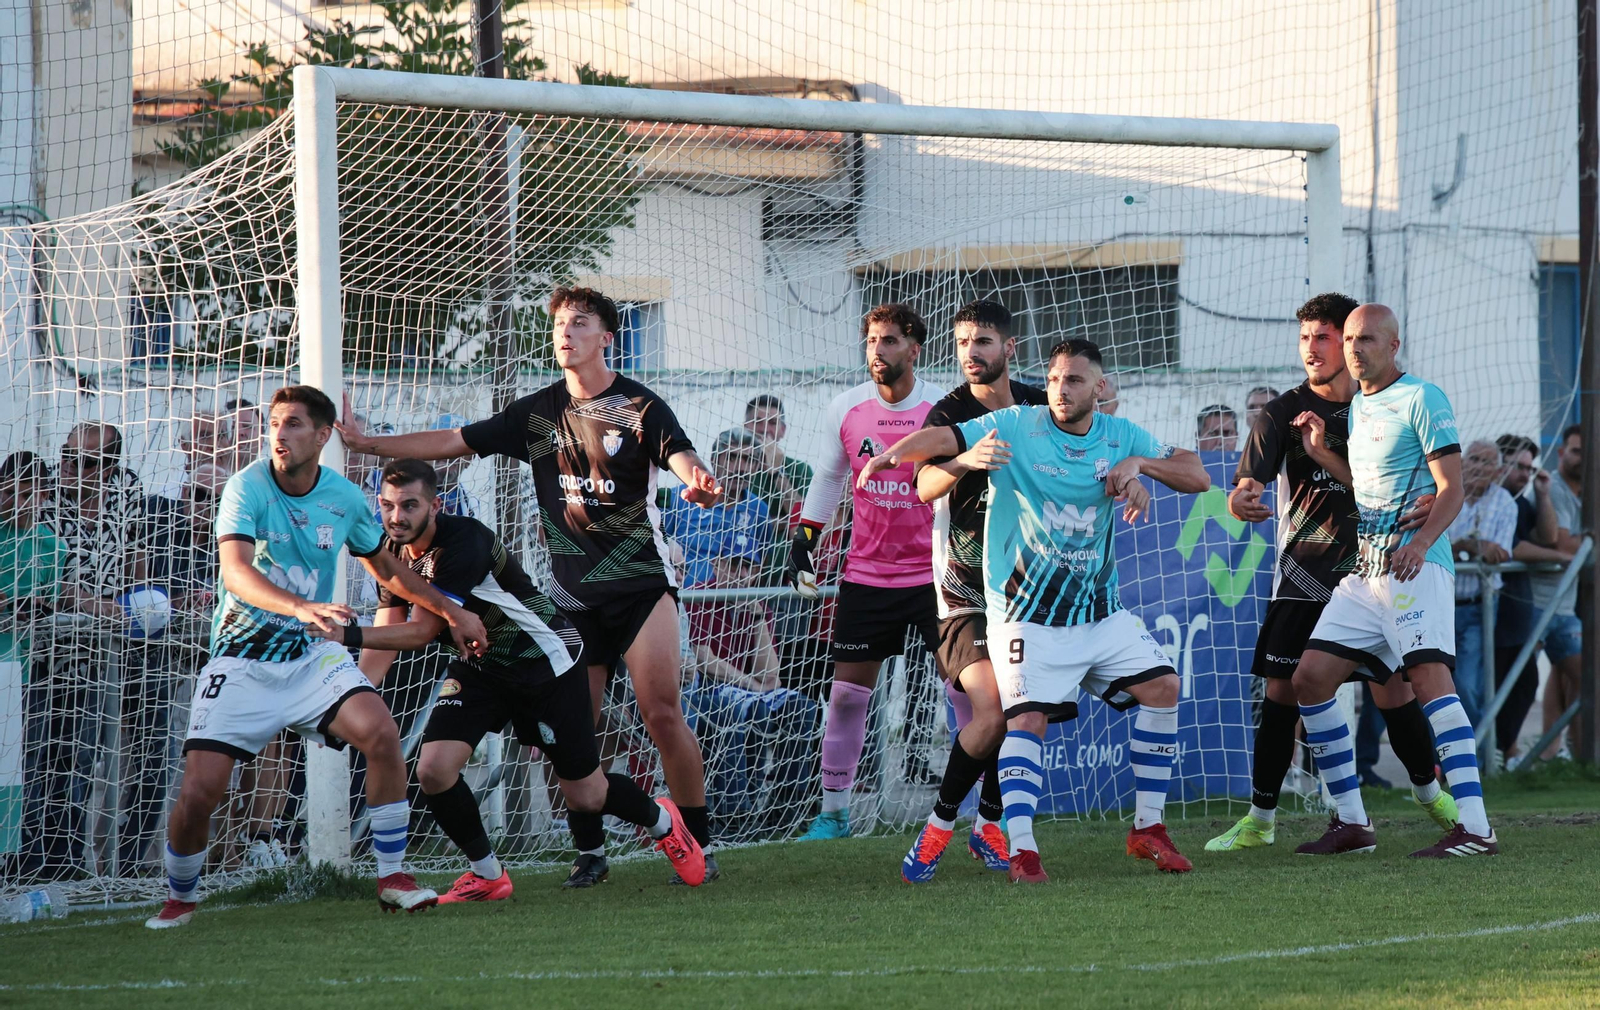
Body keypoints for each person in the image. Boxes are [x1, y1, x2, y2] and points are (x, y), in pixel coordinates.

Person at [335, 286, 724, 885]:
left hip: (641, 584)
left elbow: (681, 456)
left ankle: (697, 841)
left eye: (580, 322)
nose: (566, 332)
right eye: (560, 323)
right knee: (572, 735)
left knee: (661, 711)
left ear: (607, 338)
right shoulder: (537, 413)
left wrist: (696, 478)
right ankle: (590, 852)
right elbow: (454, 441)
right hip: (570, 594)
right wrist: (367, 444)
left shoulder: (640, 406)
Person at [859, 338, 1211, 883]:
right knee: (1018, 718)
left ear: (1100, 387)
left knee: (1164, 687)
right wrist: (892, 453)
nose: (1060, 390)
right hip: (1023, 614)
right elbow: (944, 438)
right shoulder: (1020, 424)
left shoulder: (1120, 436)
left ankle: (1148, 829)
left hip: (1099, 613)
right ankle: (1019, 850)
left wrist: (1139, 464)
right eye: (1052, 379)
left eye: (1073, 381)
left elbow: (1198, 475)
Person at [144, 385, 491, 929]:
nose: (280, 436)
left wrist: (453, 612)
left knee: (381, 734)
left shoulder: (345, 499)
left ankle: (393, 879)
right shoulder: (247, 487)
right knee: (198, 794)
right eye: (276, 424)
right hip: (242, 662)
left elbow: (391, 573)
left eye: (294, 424)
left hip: (310, 658)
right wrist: (300, 606)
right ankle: (181, 897)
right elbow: (235, 572)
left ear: (323, 434)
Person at [318, 459, 703, 902]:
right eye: (387, 505)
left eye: (409, 505)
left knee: (589, 793)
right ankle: (488, 874)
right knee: (434, 770)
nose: (396, 516)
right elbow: (386, 636)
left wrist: (342, 633)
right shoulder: (392, 552)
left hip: (544, 664)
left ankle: (664, 822)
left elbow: (424, 630)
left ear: (435, 505)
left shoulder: (463, 542)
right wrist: (354, 694)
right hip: (480, 669)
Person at [1207, 293, 1451, 853]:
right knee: (1282, 688)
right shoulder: (1281, 413)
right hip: (1305, 573)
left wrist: (1427, 507)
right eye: (1305, 339)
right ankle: (1261, 818)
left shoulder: (1384, 406)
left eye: (1324, 337)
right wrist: (1239, 500)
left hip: (1373, 570)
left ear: (1349, 341)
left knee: (1392, 689)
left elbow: (1433, 476)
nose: (1312, 350)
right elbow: (1247, 485)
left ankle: (1431, 793)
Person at [1289, 303, 1496, 858]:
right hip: (1367, 573)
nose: (1354, 349)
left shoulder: (1423, 397)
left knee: (1429, 684)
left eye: (1367, 340)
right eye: (1349, 339)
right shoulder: (1358, 405)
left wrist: (1421, 542)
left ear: (1394, 345)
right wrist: (1319, 452)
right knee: (1309, 678)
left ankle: (1476, 827)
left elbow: (1450, 488)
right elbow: (1365, 482)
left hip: (1416, 568)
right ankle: (1353, 823)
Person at [899, 299, 1046, 883]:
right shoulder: (949, 411)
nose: (971, 353)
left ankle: (988, 823)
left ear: (1008, 349)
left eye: (982, 341)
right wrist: (964, 458)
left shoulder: (1038, 404)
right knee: (990, 709)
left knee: (1019, 710)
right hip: (963, 590)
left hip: (1028, 586)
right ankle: (936, 831)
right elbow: (922, 487)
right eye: (962, 343)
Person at [786, 303, 942, 841]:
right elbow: (829, 479)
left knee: (965, 691)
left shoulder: (943, 409)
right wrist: (806, 536)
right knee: (848, 697)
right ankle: (834, 814)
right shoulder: (846, 408)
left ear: (914, 348)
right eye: (873, 341)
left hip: (935, 576)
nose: (879, 350)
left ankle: (972, 810)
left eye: (891, 341)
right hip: (867, 576)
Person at [18, 423, 145, 877]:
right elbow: (38, 572)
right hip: (38, 652)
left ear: (109, 469)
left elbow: (134, 558)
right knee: (37, 759)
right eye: (67, 455)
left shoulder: (127, 493)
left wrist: (137, 602)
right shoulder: (43, 496)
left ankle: (70, 863)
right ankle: (31, 861)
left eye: (86, 461)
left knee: (84, 764)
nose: (70, 467)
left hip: (100, 654)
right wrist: (90, 603)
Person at [0, 453, 62, 864]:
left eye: (25, 493)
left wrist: (33, 605)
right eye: (7, 492)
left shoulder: (50, 544)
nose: (15, 501)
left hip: (15, 667)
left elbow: (53, 599)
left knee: (11, 773)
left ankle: (8, 860)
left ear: (41, 495)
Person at [1492, 434, 1566, 764]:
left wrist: (1543, 494)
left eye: (1529, 467)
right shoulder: (1491, 501)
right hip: (1492, 610)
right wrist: (1566, 558)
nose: (1526, 473)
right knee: (1491, 684)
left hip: (1518, 611)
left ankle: (1506, 751)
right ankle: (1498, 751)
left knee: (1524, 682)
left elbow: (1548, 537)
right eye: (1519, 466)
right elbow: (1515, 548)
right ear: (1500, 463)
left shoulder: (1522, 501)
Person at [1444, 440, 1519, 734]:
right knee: (1439, 684)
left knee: (1468, 685)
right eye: (1474, 459)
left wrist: (1464, 546)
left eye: (1487, 462)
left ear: (1498, 470)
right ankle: (1448, 755)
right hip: (1442, 606)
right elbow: (1440, 548)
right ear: (1462, 463)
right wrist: (1471, 547)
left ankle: (1475, 751)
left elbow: (1498, 553)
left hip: (1478, 607)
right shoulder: (1445, 495)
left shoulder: (1504, 502)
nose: (1479, 467)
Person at [1529, 424, 1583, 760]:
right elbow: (1561, 543)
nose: (1582, 458)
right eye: (1576, 451)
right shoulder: (1555, 487)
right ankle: (1524, 752)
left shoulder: (1587, 487)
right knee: (1518, 683)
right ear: (1562, 452)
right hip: (1535, 602)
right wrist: (1587, 543)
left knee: (1578, 673)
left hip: (1567, 604)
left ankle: (1568, 752)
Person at [662, 427, 773, 589]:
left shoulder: (759, 510)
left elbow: (761, 562)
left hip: (731, 605)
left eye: (749, 460)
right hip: (683, 600)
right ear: (714, 460)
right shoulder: (682, 498)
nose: (740, 468)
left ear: (757, 467)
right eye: (732, 457)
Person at [744, 394, 814, 522]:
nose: (765, 429)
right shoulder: (733, 464)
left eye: (772, 423)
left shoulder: (800, 470)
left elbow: (805, 522)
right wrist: (782, 522)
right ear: (745, 427)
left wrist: (777, 472)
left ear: (782, 430)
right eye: (757, 421)